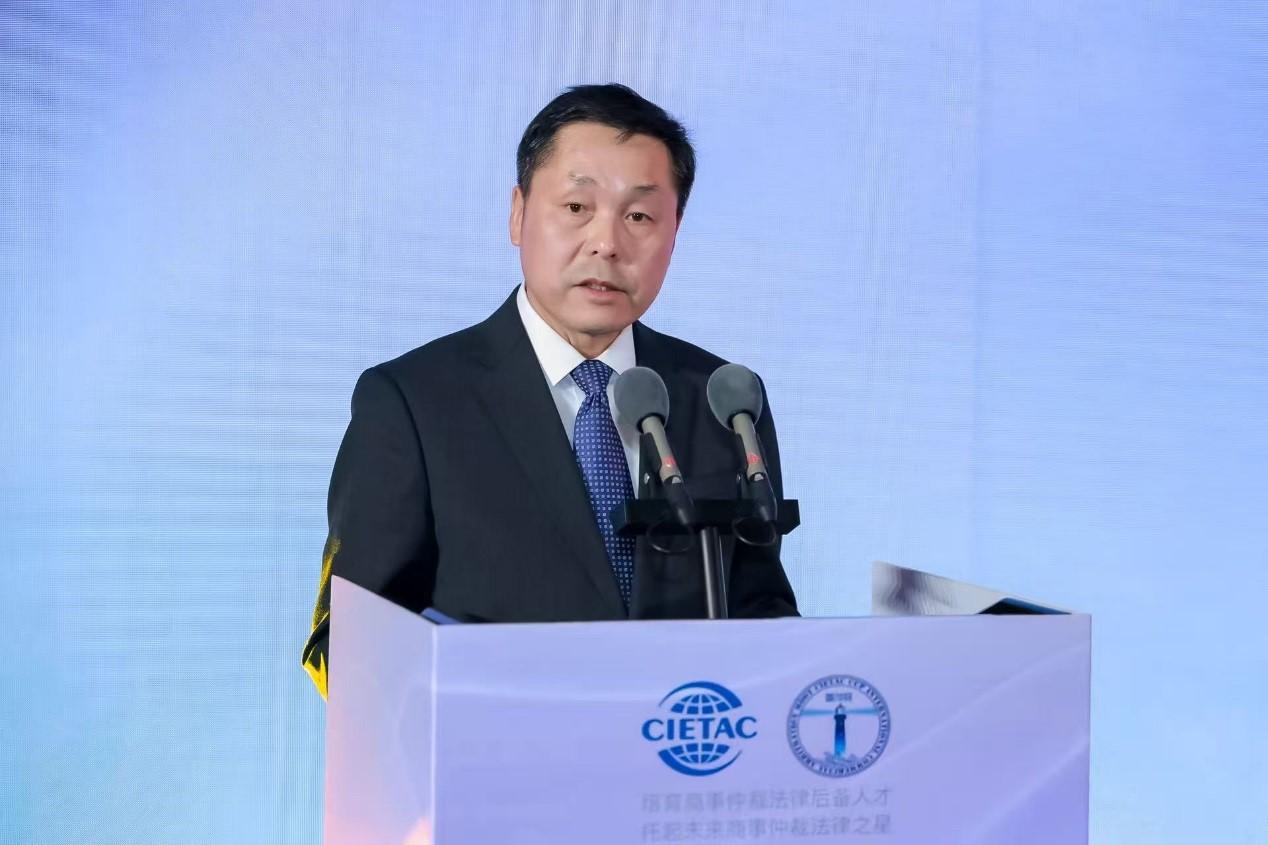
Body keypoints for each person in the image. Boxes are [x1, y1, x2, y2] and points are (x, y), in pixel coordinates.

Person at [302, 84, 798, 699]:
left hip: (684, 753)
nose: (607, 243)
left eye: (639, 216)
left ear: (675, 232)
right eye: (576, 207)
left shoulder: (725, 400)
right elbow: (351, 643)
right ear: (518, 213)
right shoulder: (412, 403)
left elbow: (762, 610)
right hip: (493, 752)